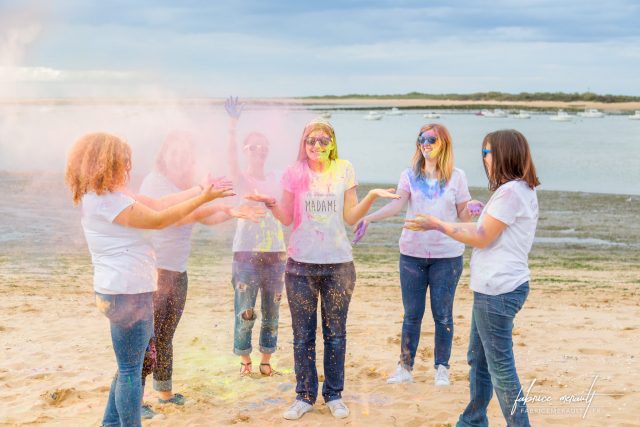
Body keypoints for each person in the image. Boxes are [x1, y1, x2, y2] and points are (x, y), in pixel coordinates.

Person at [65, 132, 234, 427]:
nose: (127, 169)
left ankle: (110, 423)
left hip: (122, 290)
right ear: (107, 163)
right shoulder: (107, 202)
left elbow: (158, 204)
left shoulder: (108, 196)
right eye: (123, 163)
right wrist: (204, 198)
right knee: (131, 370)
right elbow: (160, 220)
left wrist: (198, 189)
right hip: (126, 293)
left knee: (126, 368)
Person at [247, 118, 399, 421]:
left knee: (336, 334)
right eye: (310, 141)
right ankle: (304, 396)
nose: (316, 145)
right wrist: (270, 203)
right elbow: (287, 218)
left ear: (332, 143)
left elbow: (351, 216)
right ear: (303, 145)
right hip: (300, 266)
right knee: (303, 336)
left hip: (339, 265)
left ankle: (333, 394)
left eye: (323, 140)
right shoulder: (294, 173)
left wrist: (371, 196)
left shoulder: (344, 169)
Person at [404, 129, 539, 427]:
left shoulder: (512, 192)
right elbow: (484, 230)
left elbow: (480, 237)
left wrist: (437, 224)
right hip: (494, 288)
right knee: (478, 360)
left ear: (504, 153)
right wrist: (461, 220)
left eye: (487, 153)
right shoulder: (514, 190)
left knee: (501, 368)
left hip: (498, 291)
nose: (484, 159)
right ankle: (473, 419)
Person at [138, 130, 264, 417]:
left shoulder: (189, 186)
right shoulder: (154, 183)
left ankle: (164, 392)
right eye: (174, 152)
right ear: (164, 155)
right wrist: (210, 199)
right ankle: (138, 398)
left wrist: (231, 213)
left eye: (185, 153)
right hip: (154, 272)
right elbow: (176, 217)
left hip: (178, 272)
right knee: (149, 337)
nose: (180, 158)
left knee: (166, 334)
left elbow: (206, 217)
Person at [354, 123, 479, 387]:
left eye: (431, 139)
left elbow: (464, 216)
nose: (425, 143)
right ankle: (405, 368)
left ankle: (441, 368)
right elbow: (397, 205)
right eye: (421, 139)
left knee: (443, 314)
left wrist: (477, 209)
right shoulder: (409, 175)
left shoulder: (457, 177)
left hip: (448, 256)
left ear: (443, 143)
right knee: (412, 314)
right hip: (411, 254)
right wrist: (369, 218)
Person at [225, 97, 287, 377]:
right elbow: (231, 162)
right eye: (253, 147)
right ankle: (245, 360)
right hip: (245, 255)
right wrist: (232, 126)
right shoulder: (241, 179)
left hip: (276, 255)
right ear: (245, 151)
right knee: (245, 311)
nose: (259, 151)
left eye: (263, 147)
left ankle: (265, 360)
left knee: (272, 311)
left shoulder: (276, 177)